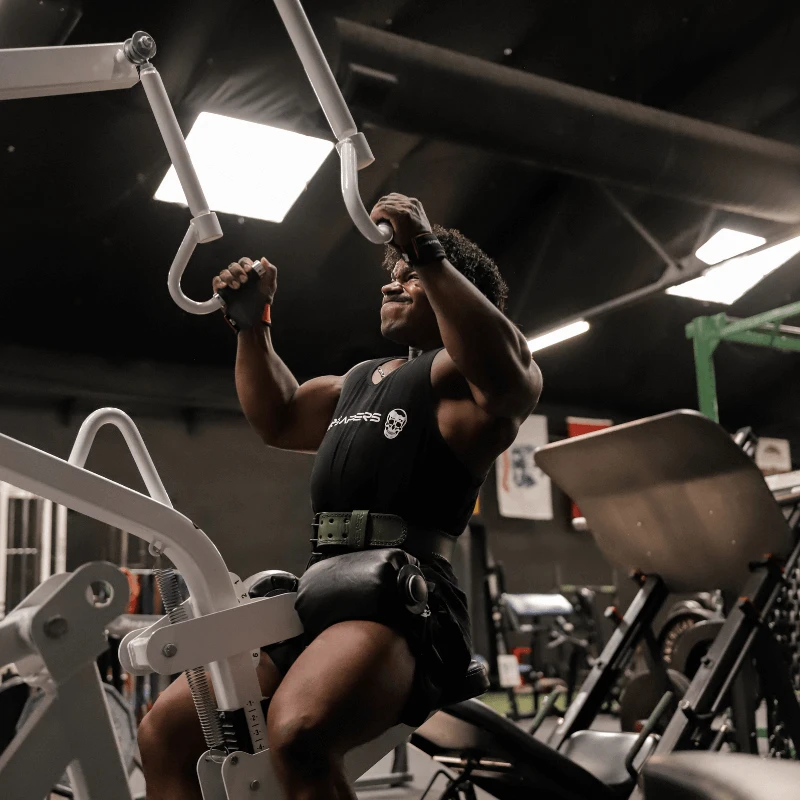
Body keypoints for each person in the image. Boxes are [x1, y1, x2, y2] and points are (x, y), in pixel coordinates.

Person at [138, 193, 542, 800]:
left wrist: (425, 249)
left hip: (406, 599)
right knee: (165, 733)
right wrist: (252, 326)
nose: (392, 283)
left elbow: (509, 368)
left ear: (457, 291)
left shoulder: (475, 384)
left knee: (299, 736)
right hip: (320, 584)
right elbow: (277, 416)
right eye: (394, 273)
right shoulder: (358, 381)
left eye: (409, 275)